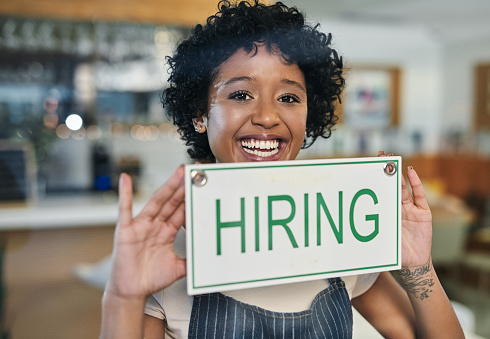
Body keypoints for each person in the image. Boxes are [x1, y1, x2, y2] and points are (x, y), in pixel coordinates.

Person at [100, 1, 465, 338]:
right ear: (200, 113)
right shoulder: (166, 250)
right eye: (241, 94)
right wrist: (124, 297)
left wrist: (419, 269)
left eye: (289, 97)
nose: (267, 117)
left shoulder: (337, 229)